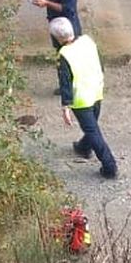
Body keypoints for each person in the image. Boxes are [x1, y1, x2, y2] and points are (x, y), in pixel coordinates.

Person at [51, 18, 117, 179]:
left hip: (81, 99)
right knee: (92, 126)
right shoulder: (88, 41)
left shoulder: (64, 54)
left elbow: (65, 82)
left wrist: (65, 107)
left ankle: (109, 166)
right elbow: (100, 63)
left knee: (92, 130)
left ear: (57, 38)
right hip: (96, 90)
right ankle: (83, 147)